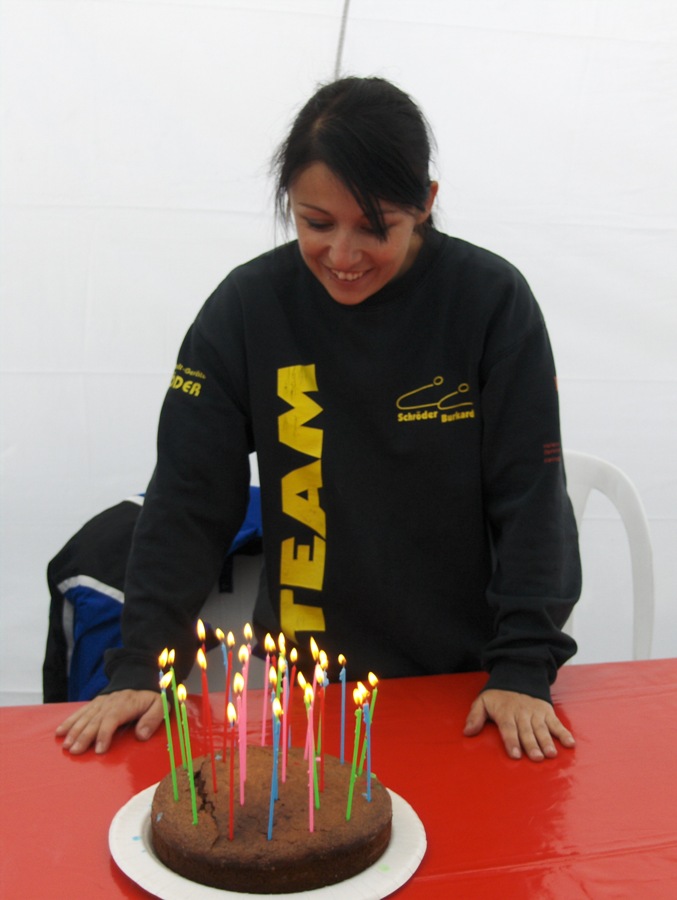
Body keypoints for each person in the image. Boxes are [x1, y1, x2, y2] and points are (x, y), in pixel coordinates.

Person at [57, 76, 581, 763]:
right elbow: (188, 498)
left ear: (425, 203)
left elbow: (531, 496)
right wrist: (142, 666)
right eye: (317, 223)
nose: (342, 256)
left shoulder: (489, 302)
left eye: (375, 227)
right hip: (307, 687)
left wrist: (522, 667)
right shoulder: (248, 309)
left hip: (464, 683)